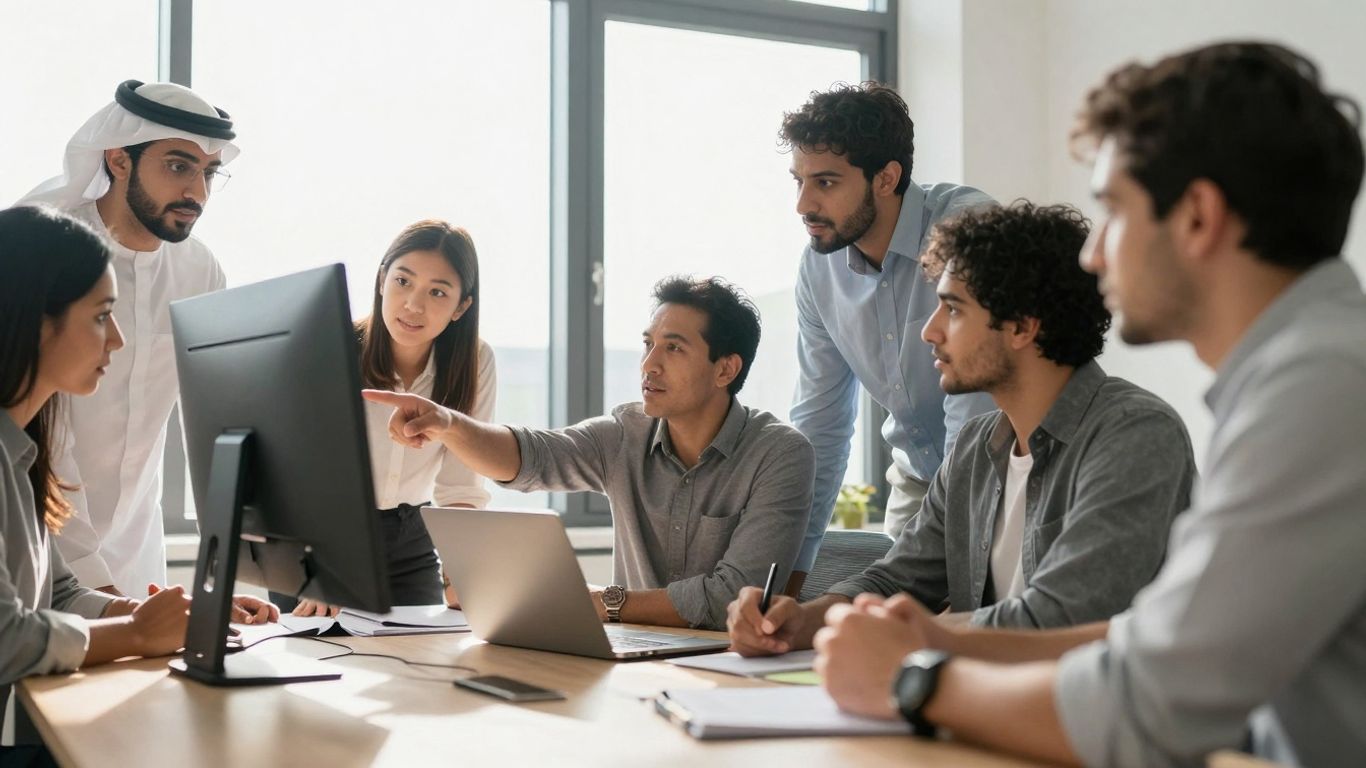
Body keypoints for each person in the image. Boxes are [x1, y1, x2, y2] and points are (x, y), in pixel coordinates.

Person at [813, 42, 1366, 767]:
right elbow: (1155, 642)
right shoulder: (1305, 373)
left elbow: (1148, 702)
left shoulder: (1320, 389)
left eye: (1112, 210)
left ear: (1197, 217)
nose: (1093, 254)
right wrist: (935, 639)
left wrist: (913, 680)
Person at [728, 201, 1195, 654]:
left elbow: (1064, 617)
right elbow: (894, 580)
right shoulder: (977, 445)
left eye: (952, 309)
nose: (930, 331)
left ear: (1021, 328)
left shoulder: (1135, 435)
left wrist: (913, 634)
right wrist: (804, 621)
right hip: (986, 712)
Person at [364, 276, 815, 631]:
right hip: (634, 654)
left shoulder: (779, 454)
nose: (648, 364)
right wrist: (447, 423)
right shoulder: (625, 434)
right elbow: (532, 457)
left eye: (673, 348)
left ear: (726, 368)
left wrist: (598, 602)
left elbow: (732, 597)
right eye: (647, 344)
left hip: (724, 666)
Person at [0, 205, 275, 738]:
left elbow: (56, 596)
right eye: (102, 316)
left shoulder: (20, 455)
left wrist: (152, 613)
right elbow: (7, 638)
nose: (118, 340)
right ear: (36, 321)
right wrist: (134, 634)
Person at [15, 80, 239, 596]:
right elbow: (41, 435)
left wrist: (225, 577)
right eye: (178, 166)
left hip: (138, 554)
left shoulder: (200, 269)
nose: (197, 194)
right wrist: (93, 584)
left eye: (208, 173)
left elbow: (217, 423)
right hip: (38, 538)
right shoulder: (53, 250)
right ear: (118, 160)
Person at [784, 82, 997, 595]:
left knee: (977, 628)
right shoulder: (819, 269)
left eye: (826, 182)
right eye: (798, 181)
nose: (803, 204)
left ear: (887, 178)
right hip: (917, 480)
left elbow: (972, 411)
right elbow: (821, 423)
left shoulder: (967, 229)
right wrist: (791, 574)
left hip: (998, 473)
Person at [281, 221, 496, 616]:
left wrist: (462, 572)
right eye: (402, 281)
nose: (413, 304)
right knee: (314, 662)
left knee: (421, 658)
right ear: (381, 280)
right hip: (318, 537)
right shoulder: (331, 346)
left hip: (409, 538)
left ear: (461, 306)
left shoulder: (473, 362)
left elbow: (460, 486)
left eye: (437, 292)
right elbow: (299, 474)